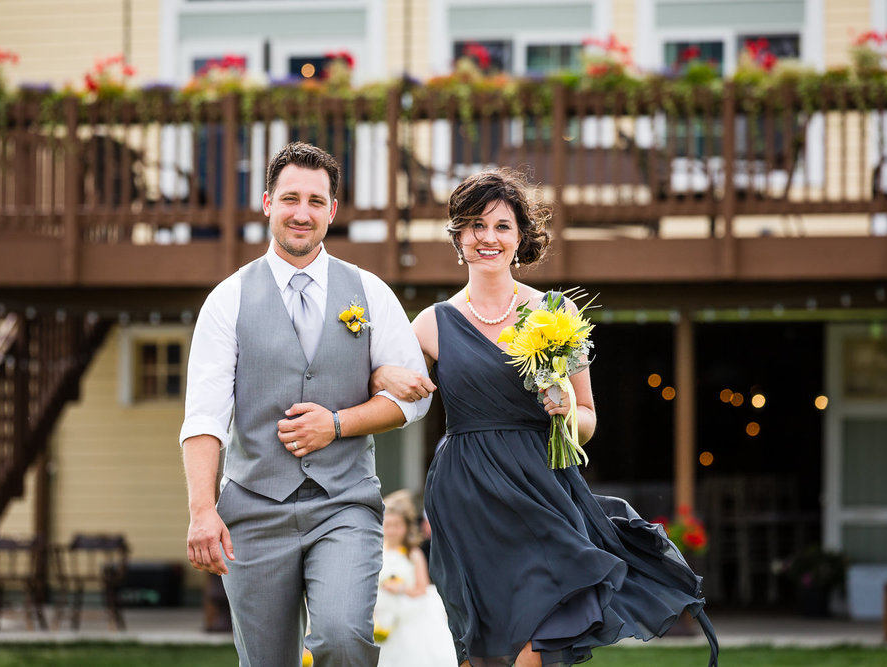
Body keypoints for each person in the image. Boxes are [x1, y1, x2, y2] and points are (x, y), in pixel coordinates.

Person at [372, 169, 718, 666]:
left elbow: (589, 419)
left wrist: (565, 410)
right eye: (475, 225)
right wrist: (383, 373)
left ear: (520, 238)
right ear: (459, 236)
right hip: (466, 494)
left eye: (502, 226)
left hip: (542, 489)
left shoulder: (555, 313)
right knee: (479, 643)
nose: (488, 238)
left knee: (541, 634)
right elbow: (394, 395)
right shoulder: (430, 323)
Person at [180, 142, 435, 667]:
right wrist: (203, 510)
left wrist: (339, 424)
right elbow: (204, 417)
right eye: (291, 198)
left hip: (344, 504)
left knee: (342, 638)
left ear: (333, 211)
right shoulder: (227, 299)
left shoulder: (369, 292)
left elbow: (411, 400)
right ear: (268, 202)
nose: (303, 213)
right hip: (252, 509)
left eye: (316, 201)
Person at [374, 490, 458, 667]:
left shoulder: (413, 555)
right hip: (381, 615)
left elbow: (422, 588)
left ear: (406, 527)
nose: (392, 530)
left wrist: (401, 589)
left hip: (408, 616)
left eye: (397, 525)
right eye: (388, 525)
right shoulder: (376, 553)